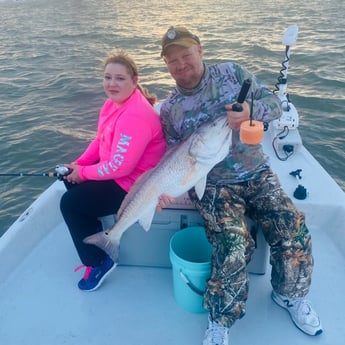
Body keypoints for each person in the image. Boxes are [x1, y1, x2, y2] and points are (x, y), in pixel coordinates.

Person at [158, 26, 322, 345]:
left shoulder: (232, 74)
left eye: (186, 55)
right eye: (172, 60)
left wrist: (252, 111)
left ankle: (290, 296)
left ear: (200, 50)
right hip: (215, 186)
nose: (181, 65)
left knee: (293, 229)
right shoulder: (170, 109)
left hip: (257, 172)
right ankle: (221, 320)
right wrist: (166, 190)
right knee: (232, 245)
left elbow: (274, 105)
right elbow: (172, 158)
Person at [60, 50, 166, 292]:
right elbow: (99, 141)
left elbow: (121, 167)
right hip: (118, 173)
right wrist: (77, 165)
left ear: (134, 80)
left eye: (119, 78)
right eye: (107, 77)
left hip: (134, 185)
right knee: (70, 180)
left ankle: (98, 261)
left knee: (69, 203)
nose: (112, 83)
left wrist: (84, 173)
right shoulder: (112, 104)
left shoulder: (136, 115)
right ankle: (94, 233)